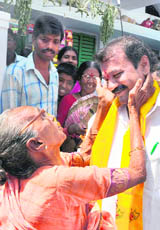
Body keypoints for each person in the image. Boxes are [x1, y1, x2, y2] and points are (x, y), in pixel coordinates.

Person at [0, 76, 147, 229]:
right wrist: (134, 111)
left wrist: (103, 106)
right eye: (42, 116)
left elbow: (84, 157)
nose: (51, 116)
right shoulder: (56, 180)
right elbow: (137, 173)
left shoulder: (30, 167)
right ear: (37, 144)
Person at [88, 35, 160, 230]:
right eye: (106, 79)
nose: (110, 86)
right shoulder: (101, 118)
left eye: (117, 75)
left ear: (144, 65)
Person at [0, 15, 64, 116]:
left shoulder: (54, 73)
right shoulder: (15, 73)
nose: (50, 46)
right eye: (44, 40)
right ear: (34, 39)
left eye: (55, 41)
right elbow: (8, 122)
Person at [57, 61, 102, 152]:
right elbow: (57, 130)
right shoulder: (68, 100)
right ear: (79, 79)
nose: (90, 81)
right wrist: (71, 129)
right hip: (68, 150)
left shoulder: (102, 102)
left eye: (95, 78)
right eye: (87, 76)